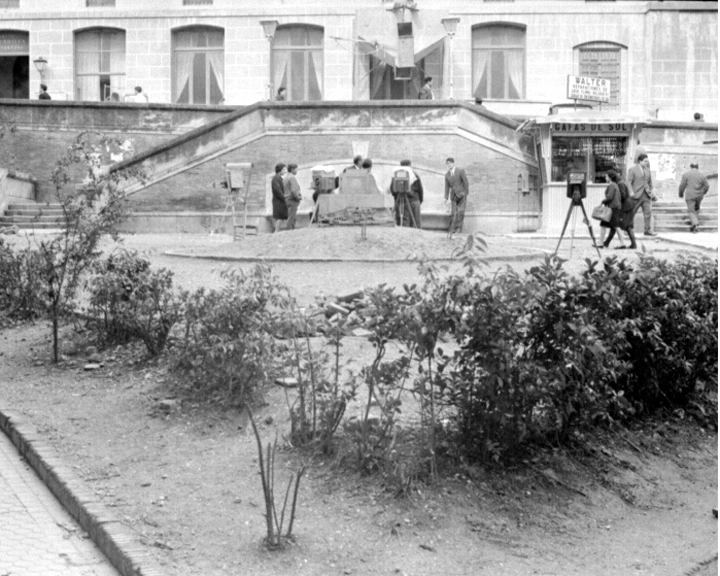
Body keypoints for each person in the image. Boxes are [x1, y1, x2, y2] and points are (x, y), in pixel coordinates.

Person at [627, 153, 657, 236]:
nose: (647, 163)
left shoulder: (648, 170)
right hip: (636, 195)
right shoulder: (632, 170)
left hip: (646, 195)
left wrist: (652, 193)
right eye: (645, 161)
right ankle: (627, 229)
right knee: (632, 212)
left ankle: (647, 230)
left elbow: (650, 183)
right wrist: (631, 191)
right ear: (640, 161)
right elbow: (628, 182)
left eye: (647, 161)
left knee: (648, 213)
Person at [389, 160, 423, 228]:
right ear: (410, 165)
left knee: (404, 224)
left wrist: (397, 199)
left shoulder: (396, 175)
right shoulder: (414, 175)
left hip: (402, 202)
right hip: (414, 201)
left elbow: (393, 190)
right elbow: (420, 189)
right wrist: (420, 201)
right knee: (415, 224)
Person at [678, 162, 710, 233]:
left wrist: (681, 194)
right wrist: (703, 192)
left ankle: (695, 224)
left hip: (690, 195)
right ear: (697, 167)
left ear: (691, 167)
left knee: (691, 210)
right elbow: (707, 186)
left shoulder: (686, 174)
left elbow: (682, 186)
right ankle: (694, 225)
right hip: (699, 196)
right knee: (696, 208)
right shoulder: (702, 175)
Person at [444, 157, 470, 235]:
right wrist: (446, 197)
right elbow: (447, 187)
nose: (449, 165)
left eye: (450, 163)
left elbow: (466, 182)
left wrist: (465, 193)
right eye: (447, 164)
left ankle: (459, 229)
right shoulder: (447, 175)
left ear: (453, 163)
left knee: (461, 212)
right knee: (453, 213)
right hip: (453, 196)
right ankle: (453, 229)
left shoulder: (460, 171)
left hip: (461, 195)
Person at [598, 171, 623, 249]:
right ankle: (601, 243)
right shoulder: (615, 185)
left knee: (615, 226)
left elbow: (609, 197)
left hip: (613, 208)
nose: (605, 178)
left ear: (610, 177)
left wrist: (602, 202)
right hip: (615, 207)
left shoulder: (612, 185)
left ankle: (622, 243)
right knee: (604, 225)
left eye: (606, 176)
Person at [616, 172, 638, 249]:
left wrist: (617, 200)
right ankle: (633, 244)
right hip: (628, 205)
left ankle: (633, 244)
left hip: (626, 206)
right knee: (628, 226)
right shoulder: (621, 183)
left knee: (627, 226)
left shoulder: (620, 184)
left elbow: (623, 195)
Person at [283, 163, 302, 230]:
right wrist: (298, 197)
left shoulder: (285, 178)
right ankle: (289, 231)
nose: (297, 171)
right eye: (296, 169)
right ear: (292, 169)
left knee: (290, 217)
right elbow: (294, 190)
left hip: (286, 199)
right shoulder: (292, 178)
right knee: (291, 218)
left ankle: (290, 230)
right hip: (292, 200)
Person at [271, 163, 288, 232]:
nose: (285, 171)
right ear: (279, 170)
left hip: (279, 199)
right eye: (283, 169)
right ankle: (276, 230)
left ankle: (277, 230)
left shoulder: (278, 178)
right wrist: (284, 198)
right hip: (278, 200)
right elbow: (277, 190)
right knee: (280, 216)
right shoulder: (276, 178)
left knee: (280, 216)